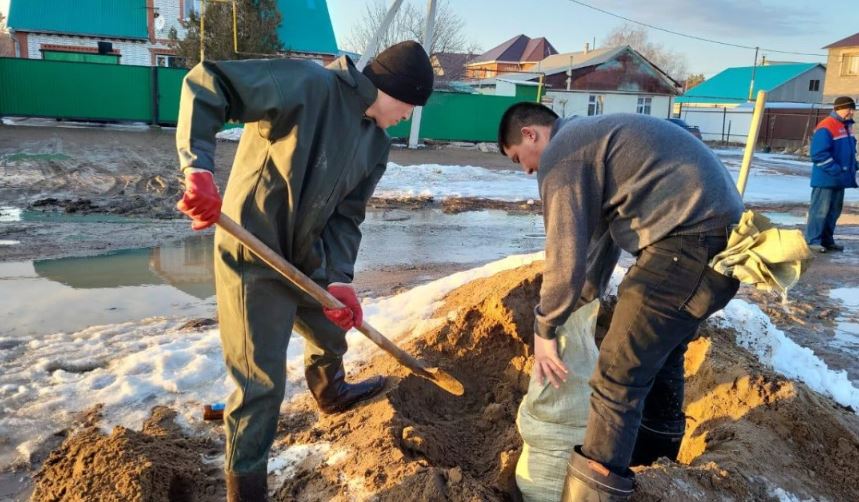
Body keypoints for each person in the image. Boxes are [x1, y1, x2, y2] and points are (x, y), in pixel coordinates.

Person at [175, 41, 434, 501]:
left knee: (333, 331)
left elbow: (347, 216)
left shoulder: (375, 143)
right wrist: (198, 169)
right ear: (391, 90)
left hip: (306, 257)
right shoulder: (309, 84)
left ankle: (331, 392)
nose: (409, 117)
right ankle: (246, 487)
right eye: (411, 106)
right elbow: (208, 82)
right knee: (260, 385)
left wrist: (338, 279)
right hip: (254, 252)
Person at [498, 103, 744, 500]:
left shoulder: (563, 154)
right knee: (659, 354)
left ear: (531, 134)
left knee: (615, 375)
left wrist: (545, 327)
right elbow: (601, 238)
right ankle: (655, 466)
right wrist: (584, 302)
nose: (527, 170)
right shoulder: (591, 141)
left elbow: (565, 251)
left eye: (518, 159)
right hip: (710, 239)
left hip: (689, 238)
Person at [805, 96, 857, 253]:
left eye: (852, 110)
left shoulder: (845, 127)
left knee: (833, 212)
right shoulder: (826, 126)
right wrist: (836, 170)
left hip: (839, 179)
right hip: (826, 179)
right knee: (820, 211)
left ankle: (827, 240)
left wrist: (854, 166)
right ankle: (813, 241)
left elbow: (845, 153)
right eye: (850, 109)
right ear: (839, 108)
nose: (852, 113)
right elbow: (818, 154)